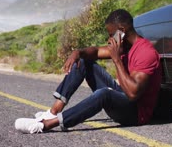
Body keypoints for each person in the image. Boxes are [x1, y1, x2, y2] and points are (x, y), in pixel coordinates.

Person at [14, 9, 162, 133]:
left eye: (111, 34)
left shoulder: (145, 52)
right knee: (84, 61)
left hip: (136, 113)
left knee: (104, 94)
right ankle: (52, 112)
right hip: (122, 99)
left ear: (121, 32)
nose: (109, 39)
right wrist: (78, 52)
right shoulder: (124, 46)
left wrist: (116, 59)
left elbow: (133, 93)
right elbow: (96, 51)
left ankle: (45, 125)